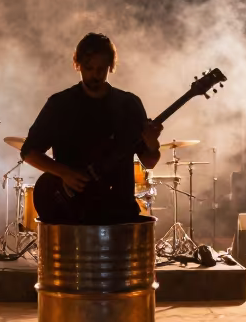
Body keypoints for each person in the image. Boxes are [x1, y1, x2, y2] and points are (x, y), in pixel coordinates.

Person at [21, 33, 163, 224]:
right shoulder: (60, 104)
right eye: (88, 68)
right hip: (72, 214)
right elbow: (29, 152)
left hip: (119, 211)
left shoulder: (129, 104)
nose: (95, 75)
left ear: (110, 67)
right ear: (77, 64)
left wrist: (152, 144)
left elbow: (149, 162)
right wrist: (64, 173)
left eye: (101, 69)